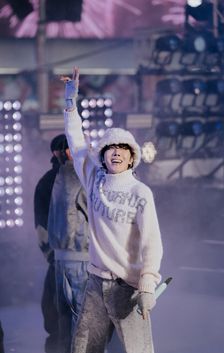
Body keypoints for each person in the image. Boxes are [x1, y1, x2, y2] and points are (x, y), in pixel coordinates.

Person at [62, 67, 163, 353]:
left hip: (127, 288)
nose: (116, 152)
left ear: (132, 158)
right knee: (83, 349)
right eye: (111, 148)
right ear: (103, 155)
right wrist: (71, 101)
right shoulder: (94, 179)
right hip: (95, 283)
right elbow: (76, 141)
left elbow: (152, 243)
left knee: (137, 350)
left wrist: (146, 284)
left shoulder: (140, 193)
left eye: (123, 148)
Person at [48, 141, 90, 353]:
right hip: (79, 254)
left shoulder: (60, 174)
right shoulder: (79, 175)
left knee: (65, 317)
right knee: (81, 319)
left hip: (61, 256)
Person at [34, 134, 69, 353]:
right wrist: (51, 255)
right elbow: (41, 225)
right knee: (55, 316)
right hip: (60, 258)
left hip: (86, 259)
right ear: (56, 153)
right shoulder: (48, 183)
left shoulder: (87, 177)